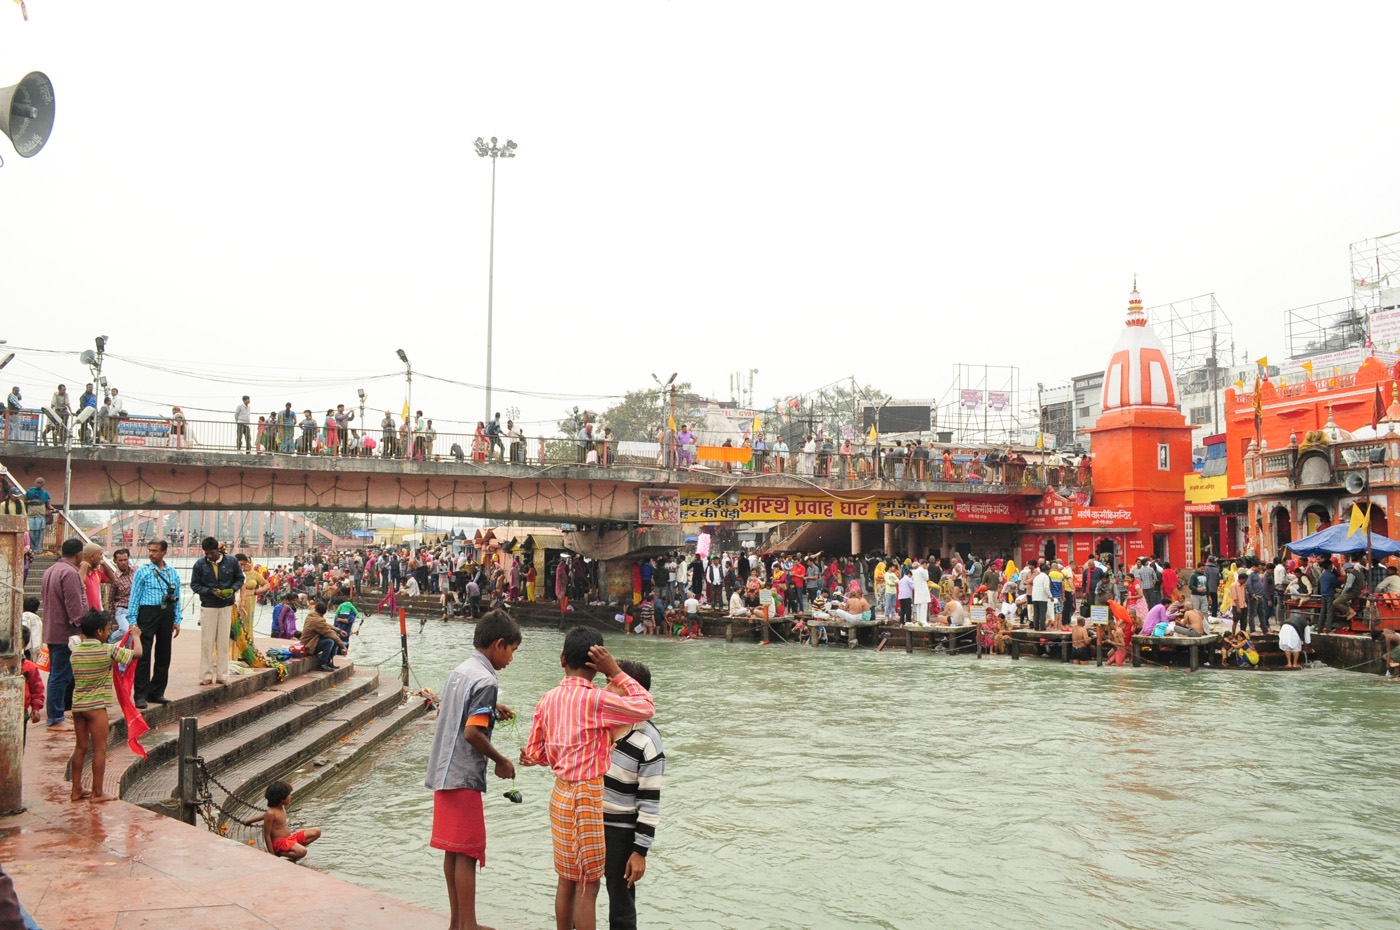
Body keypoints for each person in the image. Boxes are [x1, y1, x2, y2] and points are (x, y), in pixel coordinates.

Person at [519, 629, 655, 930]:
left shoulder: (547, 700)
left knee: (566, 878)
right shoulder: (598, 700)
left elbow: (536, 752)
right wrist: (616, 672)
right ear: (596, 665)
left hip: (560, 794)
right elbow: (646, 706)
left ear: (562, 659)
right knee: (588, 884)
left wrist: (536, 758)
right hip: (589, 796)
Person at [424, 610, 520, 930]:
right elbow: (472, 733)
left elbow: (455, 712)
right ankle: (469, 925)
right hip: (464, 774)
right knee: (467, 852)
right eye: (512, 651)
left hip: (443, 770)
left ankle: (458, 923)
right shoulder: (487, 679)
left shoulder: (461, 670)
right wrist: (501, 760)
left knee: (453, 853)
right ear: (499, 644)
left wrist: (491, 710)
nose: (511, 659)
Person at [602, 659, 666, 930]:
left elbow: (649, 803)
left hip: (621, 832)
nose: (605, 689)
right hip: (589, 820)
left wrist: (640, 851)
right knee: (579, 892)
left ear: (630, 692)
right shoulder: (599, 726)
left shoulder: (649, 740)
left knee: (621, 905)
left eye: (611, 683)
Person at [68, 609, 140, 801]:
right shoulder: (108, 650)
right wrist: (136, 636)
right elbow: (138, 653)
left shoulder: (76, 652)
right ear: (100, 632)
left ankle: (76, 789)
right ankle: (97, 792)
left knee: (80, 748)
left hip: (78, 706)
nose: (109, 632)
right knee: (100, 749)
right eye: (108, 629)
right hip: (96, 707)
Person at [128, 539, 182, 710]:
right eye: (150, 550)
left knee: (164, 654)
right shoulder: (142, 572)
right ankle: (140, 694)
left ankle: (157, 691)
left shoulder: (172, 572)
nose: (151, 554)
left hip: (166, 613)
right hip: (147, 613)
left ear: (164, 552)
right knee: (143, 655)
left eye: (155, 551)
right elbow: (134, 597)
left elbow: (177, 597)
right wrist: (132, 620)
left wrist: (177, 619)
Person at [41, 537, 87, 728]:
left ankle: (55, 712)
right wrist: (81, 629)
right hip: (65, 633)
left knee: (56, 675)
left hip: (52, 629)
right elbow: (74, 604)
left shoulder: (50, 570)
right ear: (79, 554)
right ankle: (55, 715)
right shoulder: (70, 573)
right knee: (61, 676)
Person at [190, 536, 244, 686]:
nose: (209, 556)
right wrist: (210, 591)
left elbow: (240, 579)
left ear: (218, 550)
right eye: (206, 553)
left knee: (223, 641)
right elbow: (195, 585)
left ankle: (222, 675)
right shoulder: (199, 565)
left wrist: (232, 590)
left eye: (211, 553)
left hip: (226, 605)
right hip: (208, 605)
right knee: (207, 641)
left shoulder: (232, 561)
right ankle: (206, 675)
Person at [245, 781, 323, 861]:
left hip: (290, 838)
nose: (291, 797)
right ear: (282, 798)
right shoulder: (271, 813)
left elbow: (263, 816)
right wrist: (272, 854)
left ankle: (294, 848)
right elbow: (267, 835)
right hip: (280, 843)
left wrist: (249, 821)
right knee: (302, 852)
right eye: (289, 795)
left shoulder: (281, 807)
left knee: (317, 831)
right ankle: (280, 852)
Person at [299, 600, 346, 671]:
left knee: (335, 636)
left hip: (311, 641)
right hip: (309, 645)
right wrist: (343, 647)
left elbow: (326, 625)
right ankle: (322, 663)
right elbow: (331, 634)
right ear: (325, 612)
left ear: (315, 608)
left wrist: (339, 630)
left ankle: (328, 661)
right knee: (330, 641)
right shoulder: (318, 620)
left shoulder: (312, 615)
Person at [24, 477, 50, 555]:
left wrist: (53, 509)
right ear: (35, 483)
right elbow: (25, 501)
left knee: (40, 533)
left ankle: (37, 549)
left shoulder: (45, 494)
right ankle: (31, 549)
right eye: (37, 483)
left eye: (40, 483)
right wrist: (33, 501)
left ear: (43, 484)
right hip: (32, 515)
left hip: (41, 515)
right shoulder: (29, 492)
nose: (39, 484)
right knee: (31, 533)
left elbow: (48, 504)